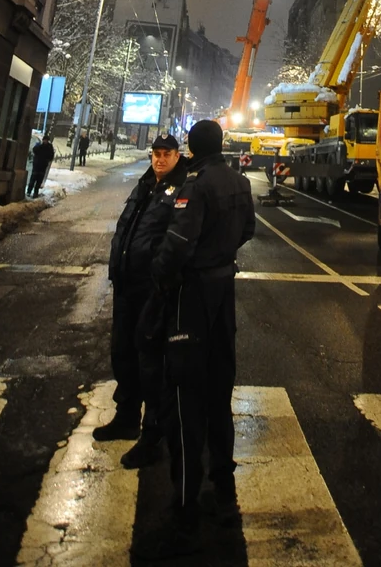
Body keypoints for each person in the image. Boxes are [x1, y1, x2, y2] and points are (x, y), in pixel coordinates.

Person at [136, 120, 255, 561]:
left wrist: (161, 280)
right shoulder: (240, 183)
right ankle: (224, 490)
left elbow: (177, 244)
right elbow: (249, 231)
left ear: (192, 148)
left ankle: (185, 509)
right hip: (224, 294)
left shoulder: (196, 186)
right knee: (220, 390)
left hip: (193, 296)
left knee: (185, 397)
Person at [93, 134, 189, 465]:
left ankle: (153, 432)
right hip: (127, 284)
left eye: (166, 154)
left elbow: (177, 240)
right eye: (156, 154)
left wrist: (158, 275)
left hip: (152, 289)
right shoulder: (146, 184)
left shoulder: (182, 189)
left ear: (178, 156)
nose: (160, 159)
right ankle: (127, 416)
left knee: (153, 363)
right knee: (123, 352)